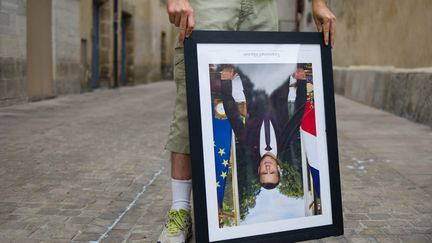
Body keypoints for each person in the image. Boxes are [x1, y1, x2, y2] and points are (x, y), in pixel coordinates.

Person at [158, 0, 336, 242]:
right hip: (209, 5)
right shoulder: (285, 144)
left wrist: (318, 3)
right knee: (190, 104)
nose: (267, 168)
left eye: (264, 173)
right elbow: (298, 114)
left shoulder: (249, 145)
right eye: (272, 171)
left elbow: (232, 114)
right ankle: (180, 209)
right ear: (279, 169)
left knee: (205, 102)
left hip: (264, 8)